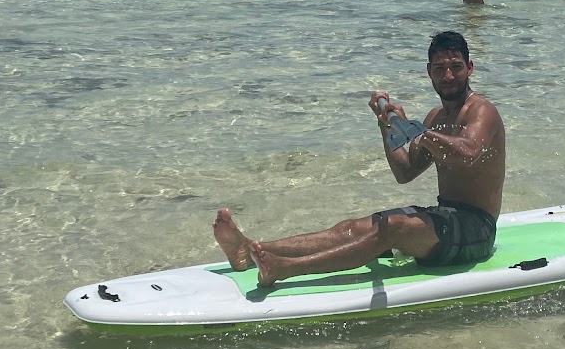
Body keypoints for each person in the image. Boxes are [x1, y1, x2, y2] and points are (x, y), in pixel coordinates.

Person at [213, 30, 506, 287]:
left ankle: (285, 268)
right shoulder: (436, 117)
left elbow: (467, 153)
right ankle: (248, 251)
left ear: (470, 68)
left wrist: (412, 129)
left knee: (393, 227)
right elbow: (405, 172)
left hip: (476, 229)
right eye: (440, 68)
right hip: (445, 217)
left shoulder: (481, 110)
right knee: (354, 228)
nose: (449, 76)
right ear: (429, 72)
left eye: (456, 67)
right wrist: (386, 125)